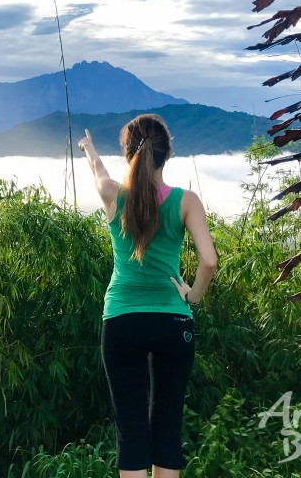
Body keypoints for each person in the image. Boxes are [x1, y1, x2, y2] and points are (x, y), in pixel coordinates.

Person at [78, 114, 217, 478]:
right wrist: (193, 296)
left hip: (122, 320)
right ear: (167, 154)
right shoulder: (186, 201)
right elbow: (209, 261)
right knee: (167, 428)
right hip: (173, 321)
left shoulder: (112, 194)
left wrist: (90, 150)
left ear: (129, 155)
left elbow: (97, 172)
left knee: (132, 431)